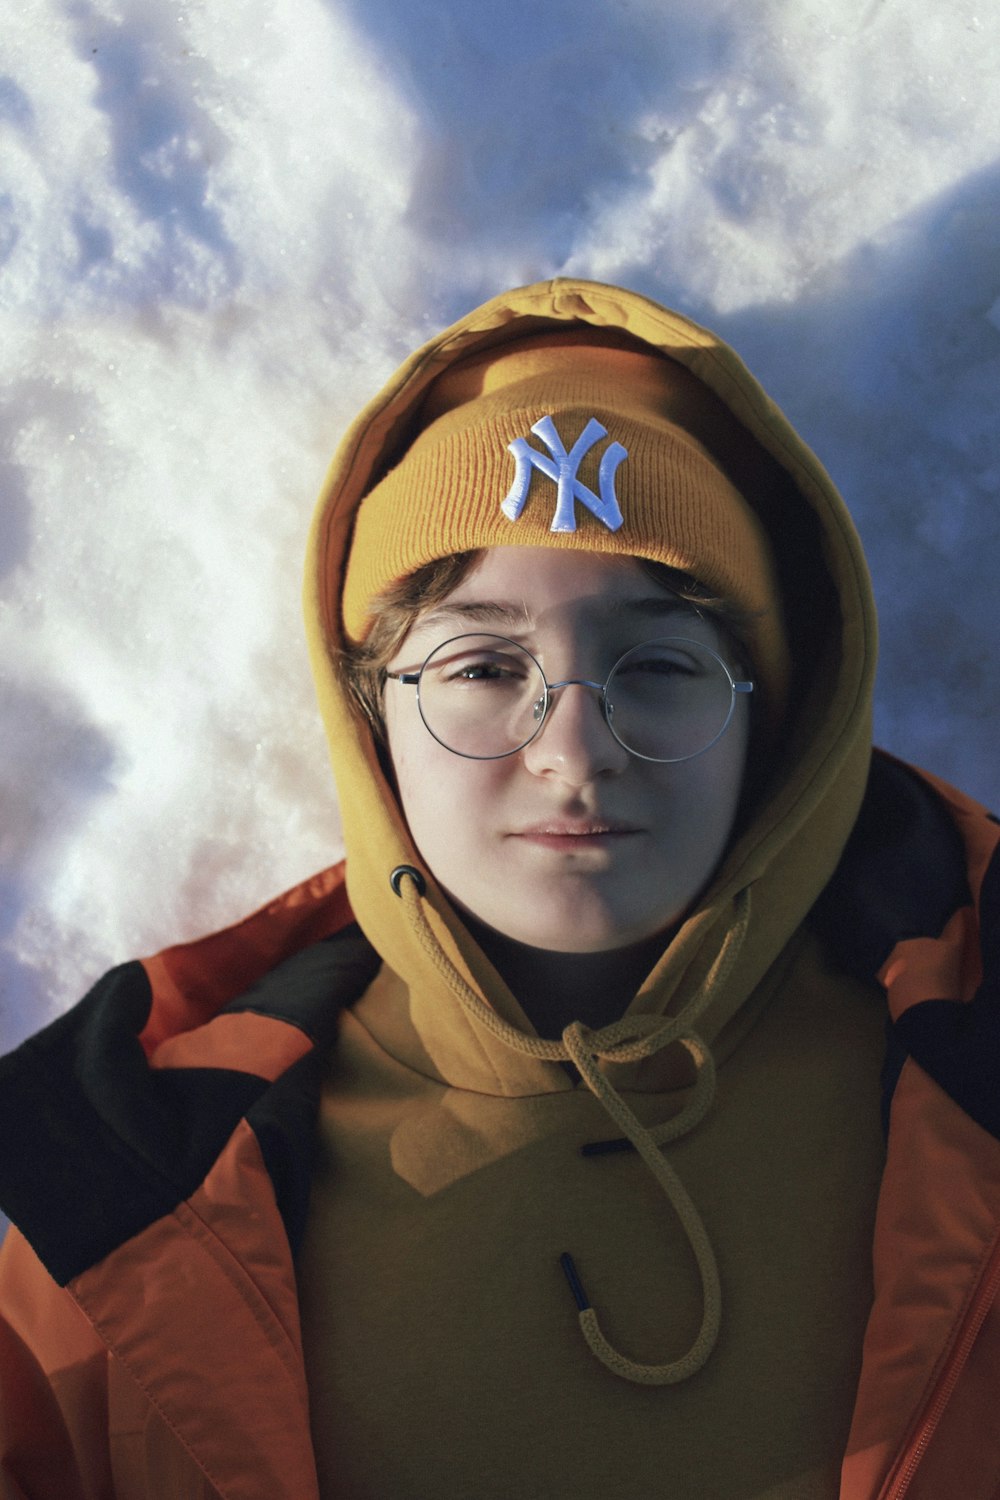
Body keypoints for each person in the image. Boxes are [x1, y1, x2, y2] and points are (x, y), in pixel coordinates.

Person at [0, 278, 997, 1500]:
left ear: (770, 716)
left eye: (662, 662)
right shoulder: (127, 1180)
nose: (574, 752)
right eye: (482, 662)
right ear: (371, 713)